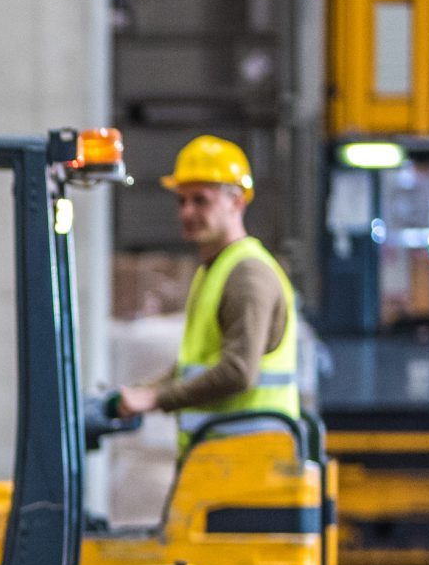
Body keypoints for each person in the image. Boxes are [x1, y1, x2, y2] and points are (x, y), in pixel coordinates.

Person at [110, 135, 302, 446]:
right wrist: (145, 391)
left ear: (236, 202)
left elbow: (238, 372)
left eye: (201, 200)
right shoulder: (213, 271)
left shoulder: (248, 274)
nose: (187, 212)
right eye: (181, 201)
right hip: (220, 463)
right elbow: (195, 366)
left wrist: (156, 398)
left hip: (251, 466)